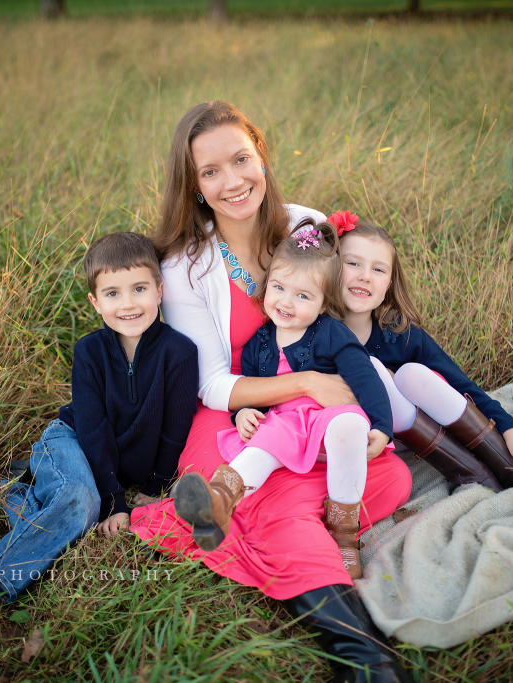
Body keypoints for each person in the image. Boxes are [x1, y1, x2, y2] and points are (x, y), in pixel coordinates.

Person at [130, 101, 414, 683]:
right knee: (273, 506)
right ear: (195, 187)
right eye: (211, 172)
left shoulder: (308, 228)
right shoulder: (186, 266)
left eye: (241, 159)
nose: (232, 181)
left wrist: (363, 388)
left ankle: (261, 515)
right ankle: (367, 657)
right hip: (231, 415)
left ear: (261, 155)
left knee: (388, 473)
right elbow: (213, 385)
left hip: (311, 410)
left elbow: (354, 312)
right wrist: (308, 380)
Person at [0, 232, 198, 637]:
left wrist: (157, 484)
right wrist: (114, 502)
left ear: (160, 291)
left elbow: (176, 427)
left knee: (74, 509)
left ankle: (18, 490)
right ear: (95, 302)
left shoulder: (179, 352)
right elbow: (92, 429)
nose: (128, 304)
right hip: (71, 442)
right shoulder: (89, 352)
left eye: (139, 288)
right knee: (83, 504)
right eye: (112, 293)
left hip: (114, 465)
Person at [173, 220, 393, 581]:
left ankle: (344, 536)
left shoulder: (332, 334)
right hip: (286, 422)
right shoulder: (261, 340)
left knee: (350, 423)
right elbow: (254, 387)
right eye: (279, 287)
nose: (286, 302)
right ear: (267, 286)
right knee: (265, 441)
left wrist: (382, 425)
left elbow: (366, 381)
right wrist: (244, 412)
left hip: (326, 418)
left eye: (303, 296)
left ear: (324, 303)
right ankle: (219, 500)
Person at [334, 211, 513, 490]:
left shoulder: (399, 332)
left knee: (412, 374)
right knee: (373, 369)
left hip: (416, 428)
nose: (365, 277)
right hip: (366, 439)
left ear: (388, 284)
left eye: (378, 269)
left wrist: (510, 428)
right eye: (353, 263)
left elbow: (460, 382)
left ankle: (509, 469)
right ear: (331, 268)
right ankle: (478, 479)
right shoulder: (315, 334)